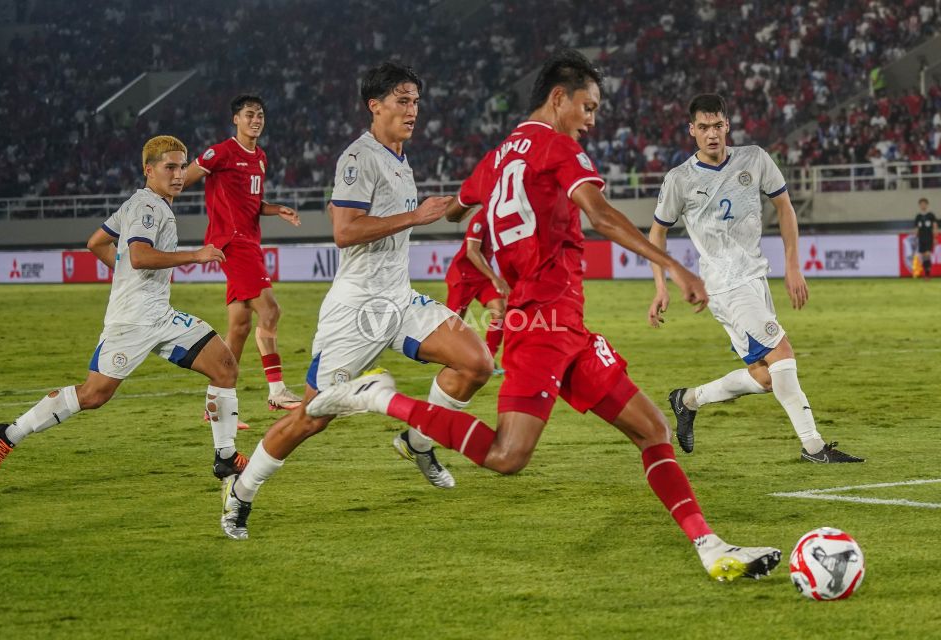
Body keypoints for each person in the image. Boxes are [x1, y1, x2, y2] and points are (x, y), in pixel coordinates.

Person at [305, 51, 781, 582]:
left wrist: (488, 249)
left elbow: (464, 210)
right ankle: (383, 398)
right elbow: (599, 214)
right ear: (559, 97)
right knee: (509, 456)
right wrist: (674, 267)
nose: (591, 120)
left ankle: (711, 547)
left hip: (566, 326)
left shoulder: (499, 155)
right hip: (542, 325)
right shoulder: (558, 147)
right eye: (587, 106)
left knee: (652, 429)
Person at [219, 62, 495, 540]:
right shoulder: (358, 158)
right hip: (357, 310)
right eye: (403, 101)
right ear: (376, 104)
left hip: (399, 300)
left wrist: (464, 200)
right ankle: (240, 492)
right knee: (311, 418)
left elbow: (419, 214)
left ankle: (416, 441)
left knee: (475, 364)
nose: (413, 110)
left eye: (415, 101)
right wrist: (414, 216)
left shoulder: (399, 158)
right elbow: (345, 232)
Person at [0, 136, 249, 483]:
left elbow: (96, 242)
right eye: (170, 167)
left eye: (183, 166)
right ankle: (8, 435)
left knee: (225, 366)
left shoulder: (139, 204)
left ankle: (225, 457)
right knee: (93, 395)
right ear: (148, 170)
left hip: (160, 315)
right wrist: (195, 255)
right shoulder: (148, 208)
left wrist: (124, 274)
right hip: (132, 321)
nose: (179, 174)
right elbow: (138, 256)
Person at [648, 93, 864, 464]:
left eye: (717, 125)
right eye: (703, 127)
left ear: (727, 125)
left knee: (766, 377)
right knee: (783, 352)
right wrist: (661, 285)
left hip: (756, 278)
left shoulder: (755, 158)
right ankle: (814, 447)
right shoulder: (680, 180)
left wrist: (792, 266)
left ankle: (687, 400)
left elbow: (784, 207)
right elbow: (657, 232)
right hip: (724, 285)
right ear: (692, 131)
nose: (712, 134)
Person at [185, 95, 303, 425]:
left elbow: (251, 202)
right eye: (249, 114)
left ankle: (216, 408)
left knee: (239, 326)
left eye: (260, 115)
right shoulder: (220, 152)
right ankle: (277, 390)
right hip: (232, 242)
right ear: (236, 119)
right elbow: (185, 177)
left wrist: (276, 208)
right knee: (271, 310)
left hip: (249, 241)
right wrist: (156, 193)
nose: (256, 119)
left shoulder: (260, 158)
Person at [444, 208, 509, 371]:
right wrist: (494, 277)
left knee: (500, 310)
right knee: (453, 323)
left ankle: (488, 360)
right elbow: (471, 252)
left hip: (482, 276)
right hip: (463, 276)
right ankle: (453, 360)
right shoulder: (482, 218)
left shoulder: (505, 220)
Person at [914, 197, 937, 279]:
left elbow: (934, 226)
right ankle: (927, 272)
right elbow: (916, 228)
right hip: (921, 238)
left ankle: (927, 274)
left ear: (927, 205)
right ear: (919, 205)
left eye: (924, 204)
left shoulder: (931, 215)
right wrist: (915, 239)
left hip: (929, 238)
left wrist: (935, 238)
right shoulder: (918, 216)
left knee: (927, 254)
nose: (923, 205)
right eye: (921, 204)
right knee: (923, 256)